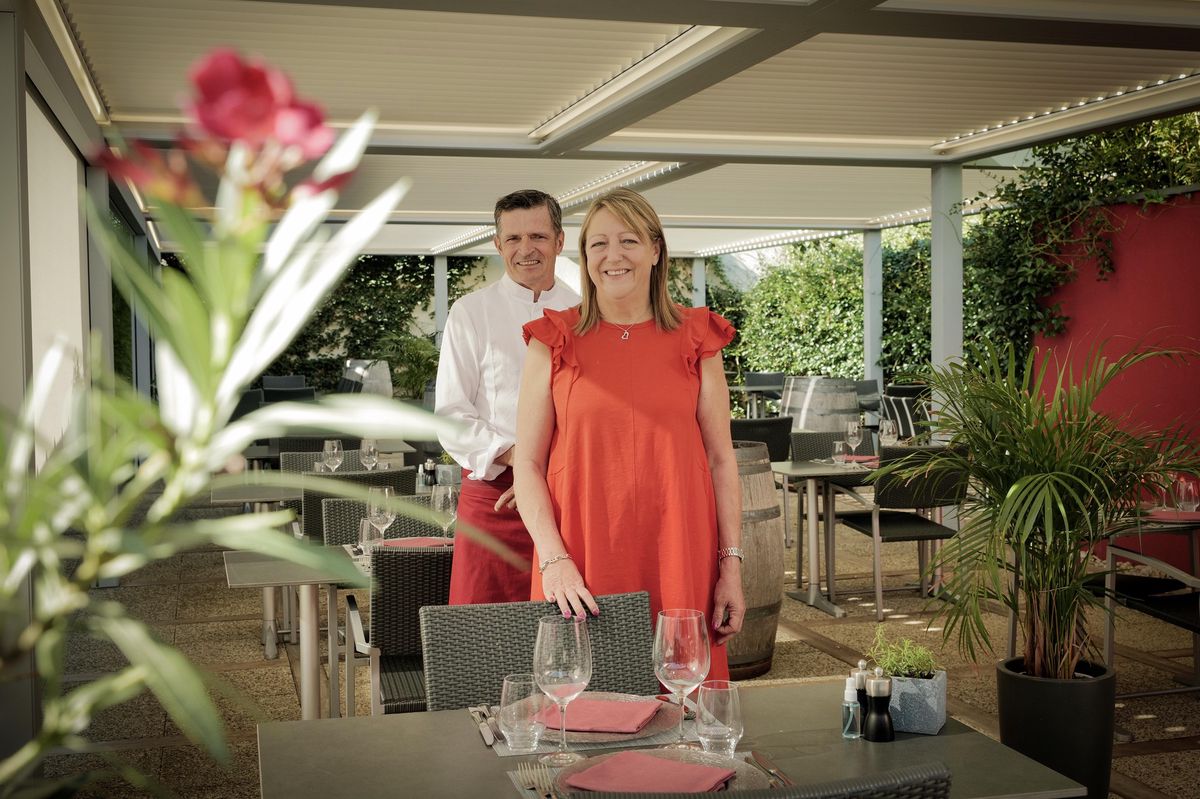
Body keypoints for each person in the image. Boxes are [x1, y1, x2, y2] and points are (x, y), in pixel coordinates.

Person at [514, 187, 745, 679]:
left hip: (680, 550)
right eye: (598, 244)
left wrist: (731, 565)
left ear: (656, 250)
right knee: (580, 713)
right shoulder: (552, 338)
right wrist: (553, 561)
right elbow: (528, 464)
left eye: (629, 241)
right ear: (584, 257)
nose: (612, 256)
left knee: (682, 710)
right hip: (580, 554)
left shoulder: (697, 336)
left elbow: (722, 459)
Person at [436, 189, 580, 604]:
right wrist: (523, 461)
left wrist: (544, 472)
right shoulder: (470, 313)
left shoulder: (585, 314)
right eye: (513, 239)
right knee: (482, 627)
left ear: (559, 240)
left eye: (537, 236)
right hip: (495, 499)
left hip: (566, 494)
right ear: (498, 245)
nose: (526, 249)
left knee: (567, 624)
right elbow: (451, 415)